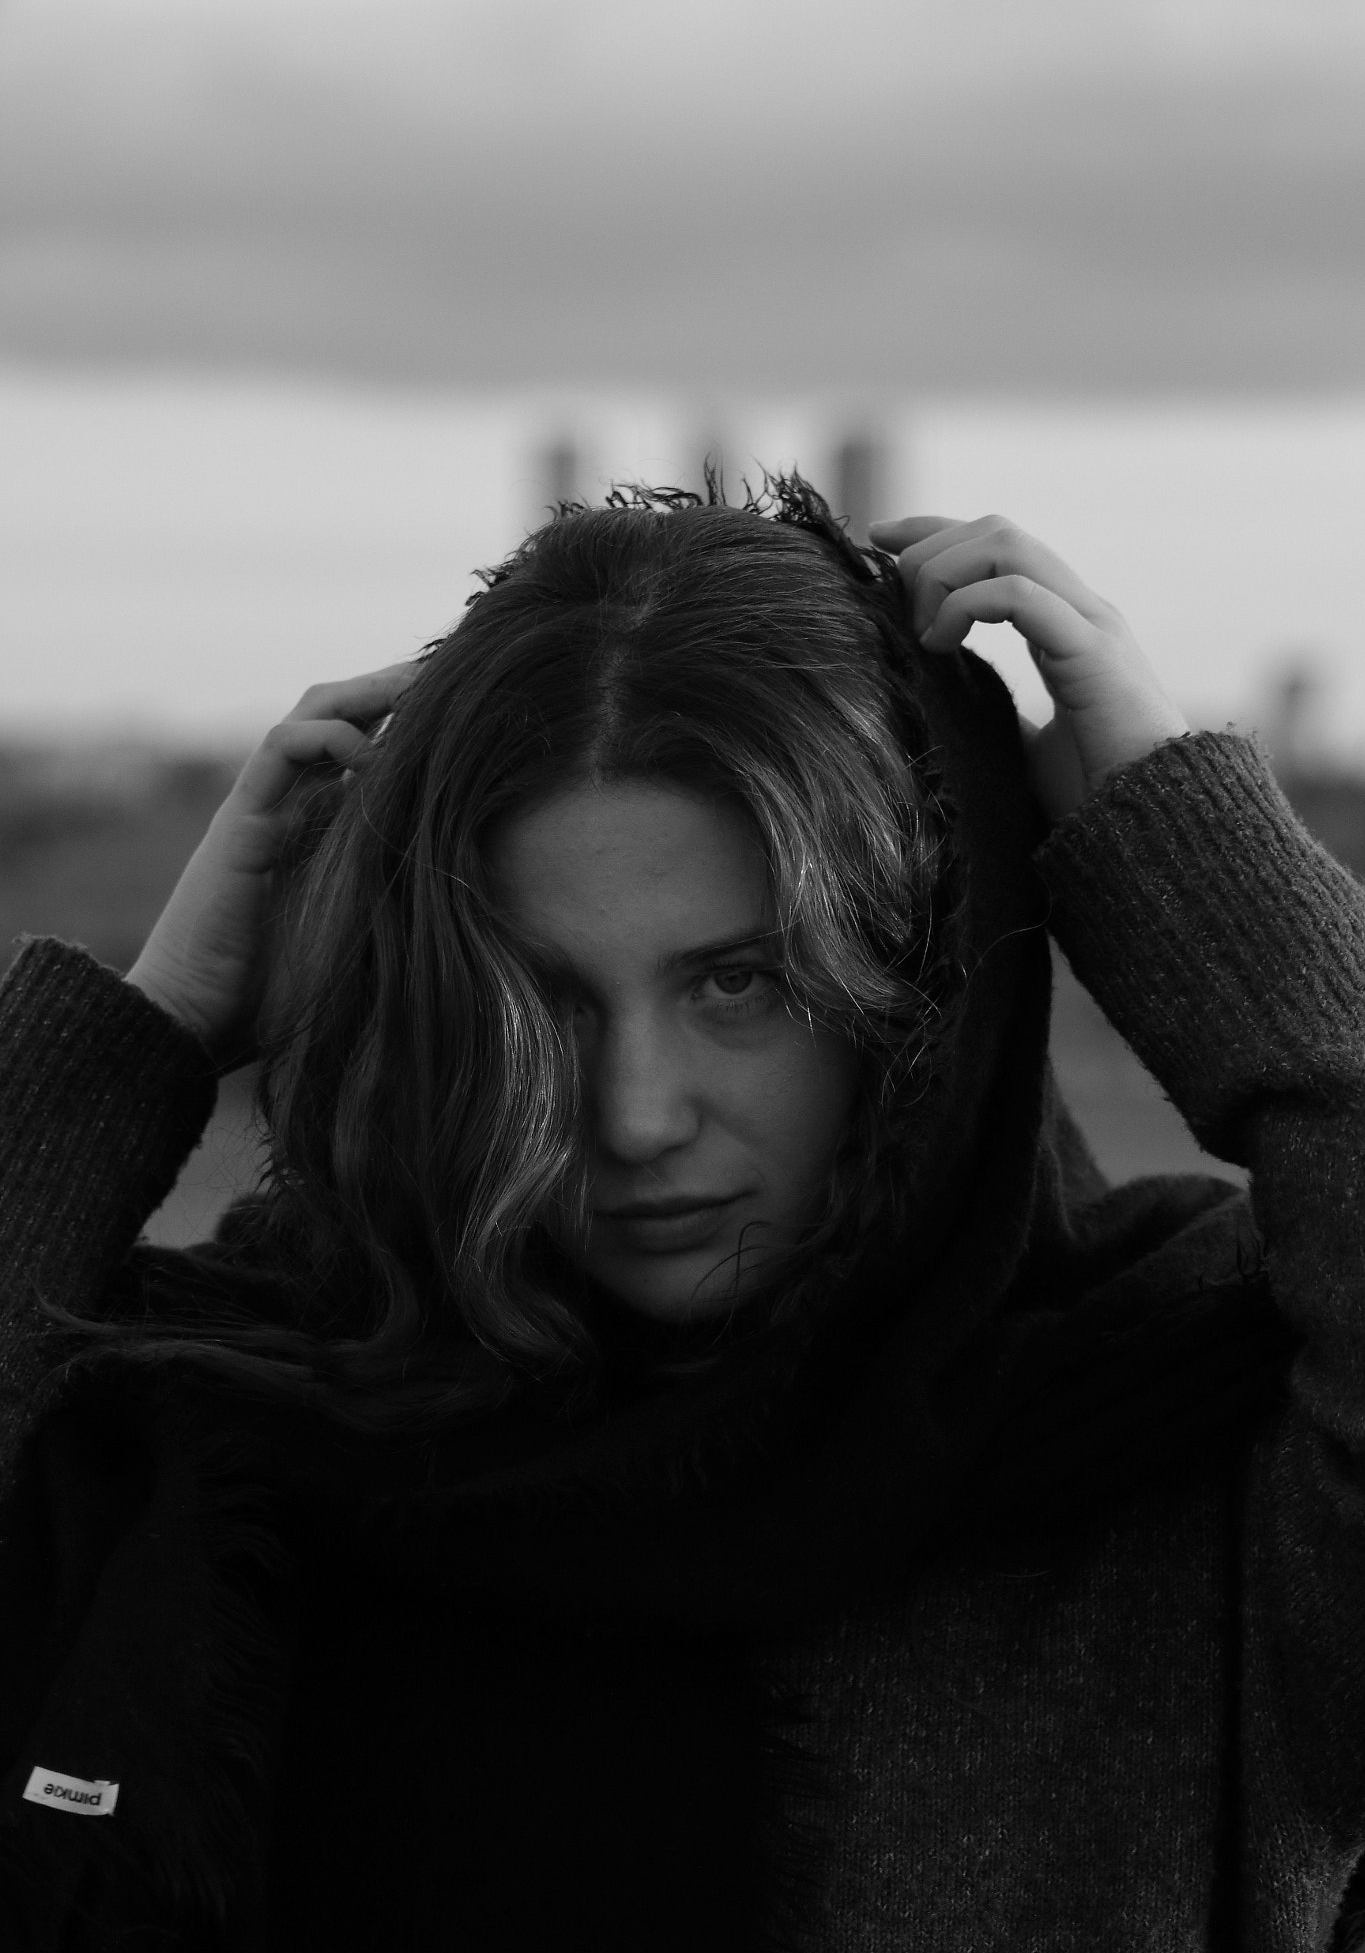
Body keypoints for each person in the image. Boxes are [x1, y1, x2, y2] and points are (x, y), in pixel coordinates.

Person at [0, 474, 1362, 1952]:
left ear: (927, 989)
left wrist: (1193, 862)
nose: (635, 1117)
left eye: (739, 982)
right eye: (542, 1000)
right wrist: (146, 1030)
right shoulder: (230, 1427)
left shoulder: (1196, 1455)